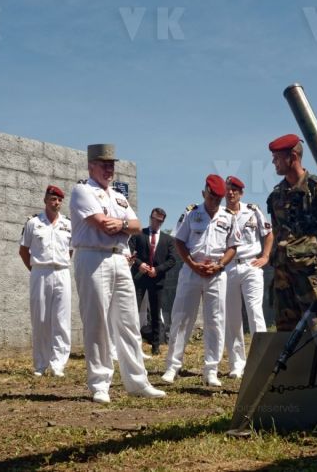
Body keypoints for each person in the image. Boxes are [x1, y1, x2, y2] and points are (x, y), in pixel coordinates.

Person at [69, 144, 165, 404]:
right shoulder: (83, 190)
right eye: (104, 164)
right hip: (93, 256)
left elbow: (136, 226)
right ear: (91, 166)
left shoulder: (119, 197)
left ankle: (138, 382)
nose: (109, 169)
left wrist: (121, 224)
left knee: (129, 321)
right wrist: (123, 225)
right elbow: (102, 225)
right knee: (97, 321)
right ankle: (100, 383)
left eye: (111, 165)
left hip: (120, 258)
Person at [162, 175, 240, 387]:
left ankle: (211, 370)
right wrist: (192, 264)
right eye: (211, 197)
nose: (215, 202)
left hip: (216, 273)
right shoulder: (191, 213)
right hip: (191, 271)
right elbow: (179, 241)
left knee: (215, 321)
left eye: (218, 199)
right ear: (204, 193)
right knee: (181, 318)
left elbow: (233, 246)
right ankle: (172, 366)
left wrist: (220, 265)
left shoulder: (229, 217)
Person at [266, 134, 317, 331]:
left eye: (277, 158)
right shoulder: (276, 195)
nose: (273, 162)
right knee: (285, 331)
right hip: (282, 276)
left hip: (308, 275)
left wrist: (306, 251)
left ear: (293, 157)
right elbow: (277, 231)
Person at [19, 185, 72, 377]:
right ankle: (40, 364)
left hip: (62, 272)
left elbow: (70, 251)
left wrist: (60, 265)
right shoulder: (33, 223)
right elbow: (23, 250)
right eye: (52, 199)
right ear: (45, 200)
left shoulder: (68, 224)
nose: (56, 203)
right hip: (40, 272)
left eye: (59, 200)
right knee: (40, 318)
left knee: (61, 319)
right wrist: (35, 270)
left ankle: (58, 364)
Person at [222, 176, 273, 379]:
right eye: (228, 189)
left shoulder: (252, 210)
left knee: (255, 311)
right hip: (228, 267)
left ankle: (261, 361)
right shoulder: (219, 214)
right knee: (232, 316)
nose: (231, 192)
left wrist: (265, 256)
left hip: (251, 264)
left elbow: (268, 233)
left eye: (235, 189)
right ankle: (237, 363)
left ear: (241, 193)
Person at [129, 208, 177, 355]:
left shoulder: (168, 239)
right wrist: (139, 264)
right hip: (139, 278)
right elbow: (130, 252)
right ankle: (132, 345)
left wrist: (157, 270)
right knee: (133, 311)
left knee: (156, 314)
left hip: (157, 280)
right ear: (150, 218)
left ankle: (156, 346)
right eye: (155, 219)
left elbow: (172, 260)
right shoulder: (138, 234)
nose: (157, 222)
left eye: (160, 221)